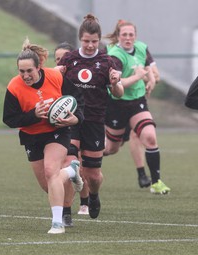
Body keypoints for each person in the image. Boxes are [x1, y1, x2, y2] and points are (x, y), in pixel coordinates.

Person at [3, 38, 84, 234]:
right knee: (49, 185)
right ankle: (71, 171)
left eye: (29, 71)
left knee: (51, 171)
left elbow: (78, 98)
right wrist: (33, 115)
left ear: (39, 67)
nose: (25, 75)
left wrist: (76, 119)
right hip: (32, 137)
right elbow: (10, 119)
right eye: (21, 71)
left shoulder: (55, 78)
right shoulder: (14, 87)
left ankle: (57, 223)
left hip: (57, 131)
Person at [57, 14, 124, 219]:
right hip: (70, 118)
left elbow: (118, 93)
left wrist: (115, 82)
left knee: (92, 175)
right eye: (86, 41)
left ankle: (93, 195)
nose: (89, 45)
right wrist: (56, 73)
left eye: (94, 41)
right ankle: (66, 211)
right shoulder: (69, 59)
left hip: (94, 120)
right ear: (80, 39)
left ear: (99, 40)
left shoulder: (106, 61)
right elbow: (54, 80)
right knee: (68, 163)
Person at [103, 19, 171, 195]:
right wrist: (138, 76)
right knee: (111, 148)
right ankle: (86, 152)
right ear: (118, 36)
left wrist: (151, 81)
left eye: (131, 34)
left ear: (135, 36)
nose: (128, 37)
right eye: (124, 34)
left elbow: (152, 71)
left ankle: (156, 182)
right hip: (116, 104)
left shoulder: (141, 47)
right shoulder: (115, 55)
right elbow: (116, 84)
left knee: (149, 137)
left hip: (137, 102)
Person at [54, 42, 90, 218]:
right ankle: (67, 210)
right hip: (67, 125)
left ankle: (85, 201)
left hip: (87, 121)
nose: (61, 63)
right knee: (69, 162)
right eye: (57, 60)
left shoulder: (82, 78)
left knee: (86, 169)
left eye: (64, 59)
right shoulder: (53, 79)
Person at [118, 62, 161, 189]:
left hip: (136, 104)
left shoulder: (141, 50)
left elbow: (156, 77)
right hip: (114, 106)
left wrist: (146, 77)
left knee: (140, 135)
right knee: (111, 147)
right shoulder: (110, 52)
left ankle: (145, 176)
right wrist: (135, 77)